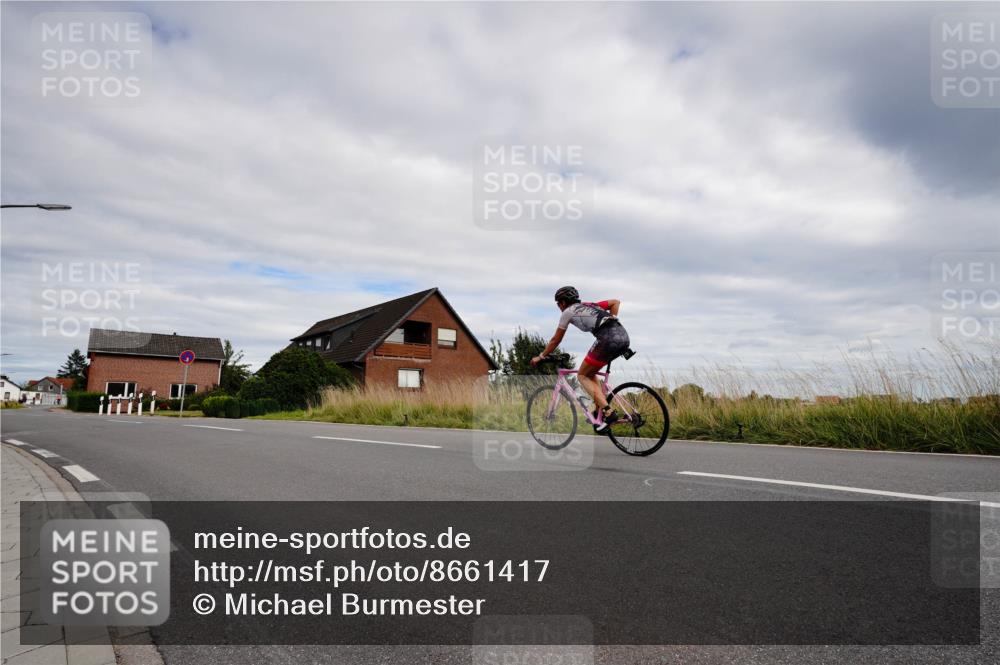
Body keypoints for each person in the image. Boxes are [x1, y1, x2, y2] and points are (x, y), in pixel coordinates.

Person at [531, 286, 631, 433]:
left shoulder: (568, 312)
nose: (559, 307)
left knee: (582, 375)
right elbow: (615, 302)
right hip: (623, 336)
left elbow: (555, 340)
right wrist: (613, 319)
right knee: (591, 373)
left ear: (563, 302)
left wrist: (540, 357)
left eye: (558, 303)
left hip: (607, 339)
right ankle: (599, 412)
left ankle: (609, 413)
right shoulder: (591, 305)